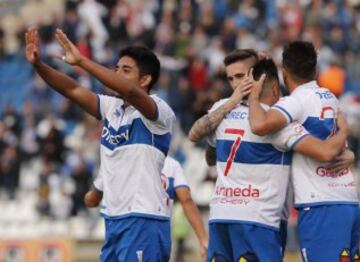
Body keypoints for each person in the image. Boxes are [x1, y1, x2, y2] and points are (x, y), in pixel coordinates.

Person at [25, 28, 176, 261]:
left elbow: (129, 90)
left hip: (143, 218)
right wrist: (39, 65)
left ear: (145, 79)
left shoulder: (159, 112)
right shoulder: (112, 108)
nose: (116, 74)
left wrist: (83, 62)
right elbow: (72, 89)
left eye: (125, 70)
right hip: (114, 219)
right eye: (116, 68)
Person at [189, 51, 349, 261]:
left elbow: (205, 148)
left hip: (221, 216)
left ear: (255, 76)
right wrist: (346, 141)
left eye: (240, 76)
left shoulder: (221, 110)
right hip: (260, 221)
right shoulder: (277, 124)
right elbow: (323, 151)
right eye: (230, 78)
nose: (235, 84)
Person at [248, 41, 360, 261]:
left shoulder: (295, 102)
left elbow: (259, 125)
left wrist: (253, 95)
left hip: (320, 203)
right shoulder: (330, 96)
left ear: (284, 72)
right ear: (316, 70)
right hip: (348, 198)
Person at [85, 156, 209, 261]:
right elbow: (186, 199)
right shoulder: (171, 165)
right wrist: (203, 239)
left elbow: (92, 199)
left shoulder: (113, 156)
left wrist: (87, 197)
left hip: (121, 229)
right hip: (153, 232)